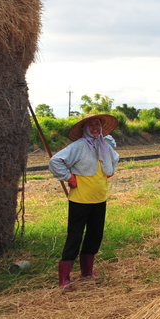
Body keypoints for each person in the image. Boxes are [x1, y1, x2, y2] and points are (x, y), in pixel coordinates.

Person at [48, 112, 119, 288]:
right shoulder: (78, 146)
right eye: (91, 125)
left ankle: (87, 272)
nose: (95, 128)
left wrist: (109, 170)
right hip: (80, 199)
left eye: (97, 124)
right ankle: (64, 278)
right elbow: (55, 161)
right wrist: (69, 177)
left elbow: (115, 159)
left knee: (95, 235)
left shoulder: (105, 145)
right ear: (85, 129)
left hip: (99, 198)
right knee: (75, 237)